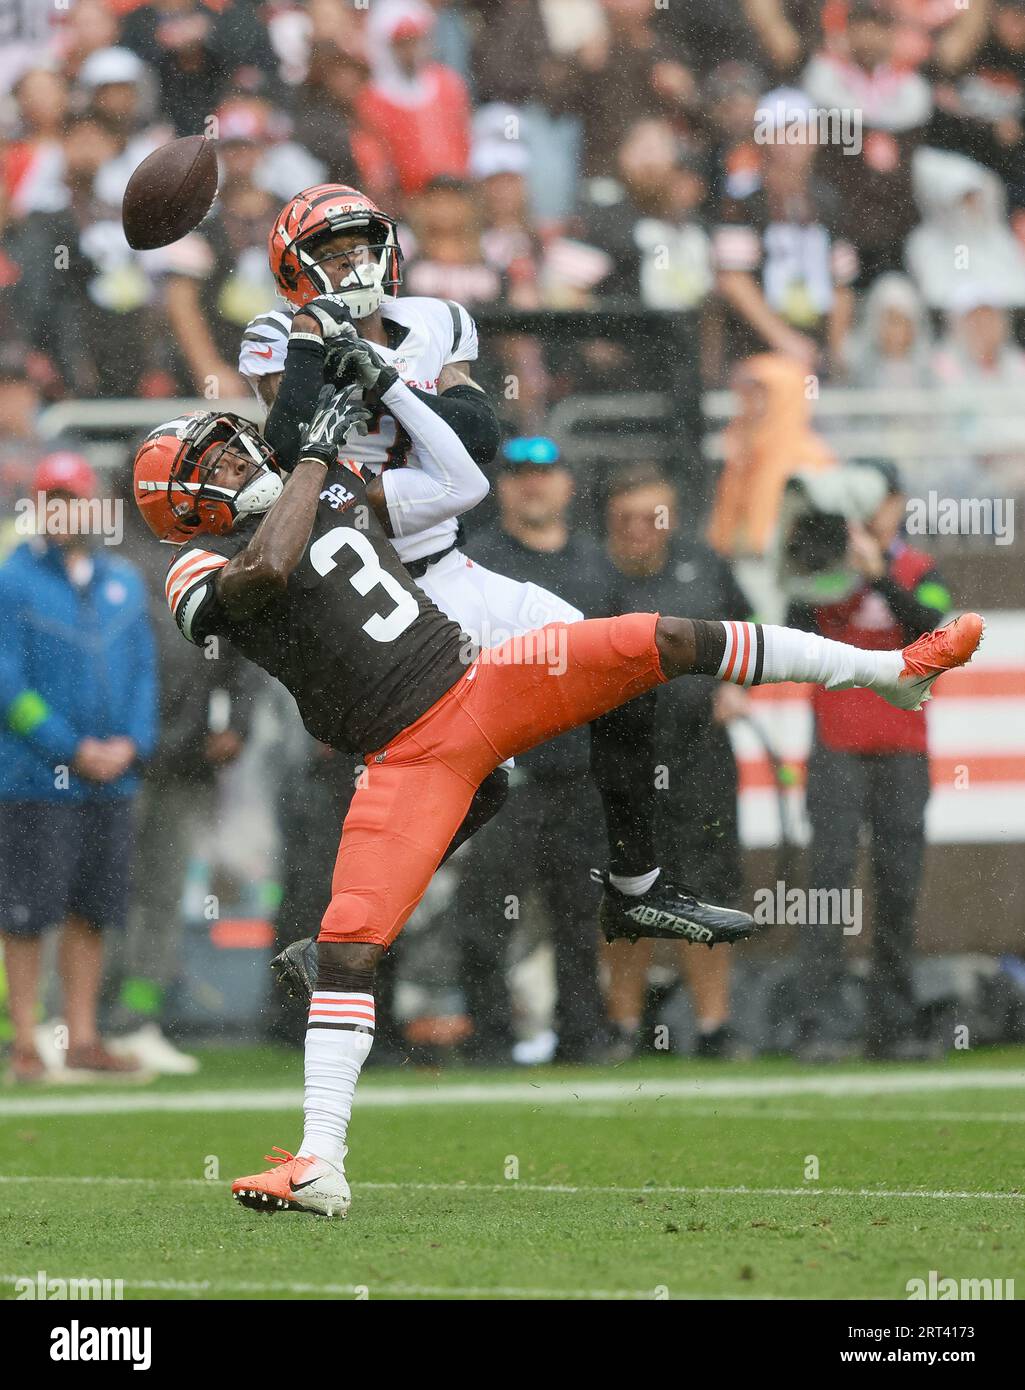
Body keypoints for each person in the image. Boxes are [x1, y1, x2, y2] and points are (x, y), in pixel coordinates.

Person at [133, 376, 983, 1215]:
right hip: (402, 756)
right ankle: (320, 1160)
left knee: (660, 639)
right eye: (216, 465)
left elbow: (460, 476)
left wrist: (384, 376)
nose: (240, 460)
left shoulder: (331, 483)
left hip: (481, 682)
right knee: (347, 949)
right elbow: (267, 567)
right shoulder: (198, 566)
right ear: (188, 507)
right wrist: (315, 450)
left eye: (231, 448)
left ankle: (892, 674)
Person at [240, 184, 745, 969]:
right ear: (296, 272)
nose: (356, 265)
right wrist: (316, 339)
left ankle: (634, 884)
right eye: (333, 256)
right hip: (371, 581)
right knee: (460, 785)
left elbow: (478, 434)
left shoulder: (435, 320)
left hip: (446, 553)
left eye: (363, 247)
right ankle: (337, 941)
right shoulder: (275, 334)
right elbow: (291, 439)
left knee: (624, 672)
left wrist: (381, 378)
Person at [453, 436, 621, 1064]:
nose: (533, 485)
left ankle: (584, 1034)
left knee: (581, 914)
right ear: (502, 487)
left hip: (579, 771)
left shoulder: (599, 568)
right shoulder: (477, 563)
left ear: (567, 484)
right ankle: (489, 1034)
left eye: (545, 473)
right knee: (485, 913)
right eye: (521, 474)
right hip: (502, 770)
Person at [786, 463, 958, 1061]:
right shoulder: (820, 565)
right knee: (828, 883)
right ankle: (819, 1024)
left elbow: (936, 630)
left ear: (898, 504)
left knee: (898, 888)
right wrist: (819, 561)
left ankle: (893, 1026)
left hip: (903, 750)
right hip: (837, 746)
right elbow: (784, 625)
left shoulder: (920, 570)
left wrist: (878, 577)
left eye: (879, 499)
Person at [0, 453, 157, 1082]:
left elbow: (145, 672)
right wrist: (70, 747)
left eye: (74, 499)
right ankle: (28, 1041)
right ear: (38, 508)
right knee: (27, 913)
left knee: (94, 910)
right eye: (53, 500)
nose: (64, 512)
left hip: (112, 777)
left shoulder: (121, 580)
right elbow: (10, 686)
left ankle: (82, 1035)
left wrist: (133, 742)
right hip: (36, 778)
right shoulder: (14, 580)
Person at [602, 465, 751, 1060]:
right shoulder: (590, 573)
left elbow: (751, 635)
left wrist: (737, 682)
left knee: (702, 889)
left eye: (652, 517)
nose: (640, 529)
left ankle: (714, 1028)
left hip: (700, 756)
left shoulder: (707, 567)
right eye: (627, 518)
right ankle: (622, 1028)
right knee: (622, 891)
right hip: (617, 755)